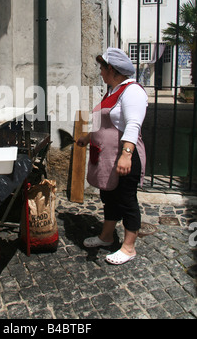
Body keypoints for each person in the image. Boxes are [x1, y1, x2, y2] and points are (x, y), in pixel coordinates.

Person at [77, 47, 148, 265]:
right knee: (109, 197)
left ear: (111, 69)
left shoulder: (132, 91)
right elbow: (103, 122)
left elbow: (133, 125)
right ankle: (106, 237)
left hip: (124, 156)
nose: (99, 73)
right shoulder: (112, 91)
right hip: (107, 157)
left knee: (127, 200)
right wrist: (88, 137)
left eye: (101, 68)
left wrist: (126, 155)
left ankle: (128, 247)